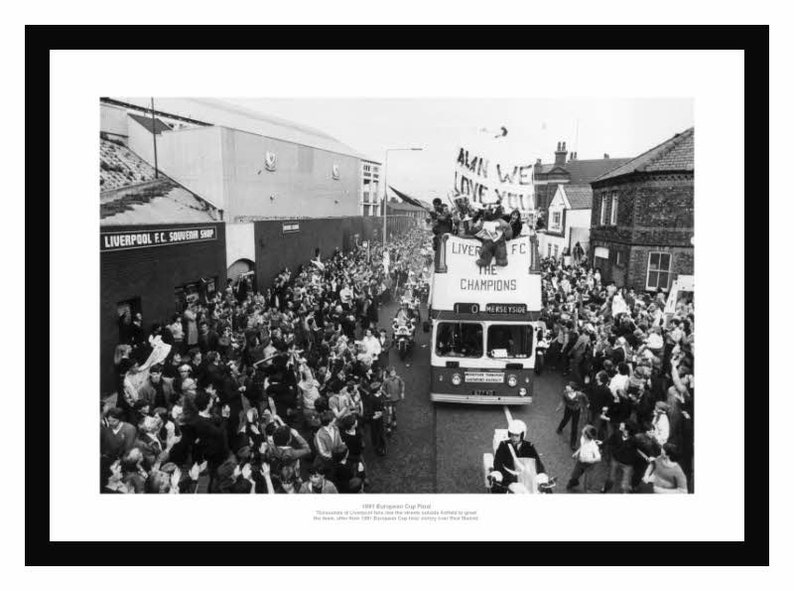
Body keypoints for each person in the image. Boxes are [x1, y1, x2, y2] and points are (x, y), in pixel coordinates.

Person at [492, 420, 547, 488]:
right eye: (512, 434)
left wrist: (541, 475)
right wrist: (497, 474)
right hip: (507, 478)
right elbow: (497, 462)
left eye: (517, 435)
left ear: (522, 435)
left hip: (525, 478)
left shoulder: (529, 446)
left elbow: (538, 463)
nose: (514, 438)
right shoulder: (503, 445)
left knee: (546, 491)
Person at [566, 425, 602, 492]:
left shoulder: (593, 446)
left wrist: (587, 460)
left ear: (586, 435)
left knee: (587, 483)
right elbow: (582, 446)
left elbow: (598, 458)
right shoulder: (582, 438)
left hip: (589, 465)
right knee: (574, 475)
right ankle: (574, 482)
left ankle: (587, 491)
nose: (582, 429)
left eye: (584, 430)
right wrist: (577, 452)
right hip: (580, 461)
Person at [555, 382, 589, 450]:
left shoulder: (579, 394)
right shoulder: (565, 393)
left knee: (574, 426)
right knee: (565, 419)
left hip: (576, 411)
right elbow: (563, 400)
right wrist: (559, 407)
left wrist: (587, 404)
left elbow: (585, 398)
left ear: (572, 389)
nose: (567, 386)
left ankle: (573, 444)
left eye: (569, 386)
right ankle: (559, 428)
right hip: (568, 409)